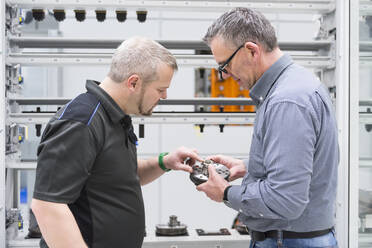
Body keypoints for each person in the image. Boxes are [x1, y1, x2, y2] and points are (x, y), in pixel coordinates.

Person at [31, 37, 202, 248]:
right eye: (160, 89)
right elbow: (47, 205)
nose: (165, 96)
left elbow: (119, 176)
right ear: (133, 82)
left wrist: (164, 162)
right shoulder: (81, 121)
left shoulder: (115, 117)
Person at [197, 7, 339, 248]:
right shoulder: (294, 86)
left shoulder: (287, 101)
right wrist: (248, 166)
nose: (224, 76)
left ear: (251, 50)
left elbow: (286, 199)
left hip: (290, 242)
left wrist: (225, 192)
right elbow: (306, 163)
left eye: (225, 66)